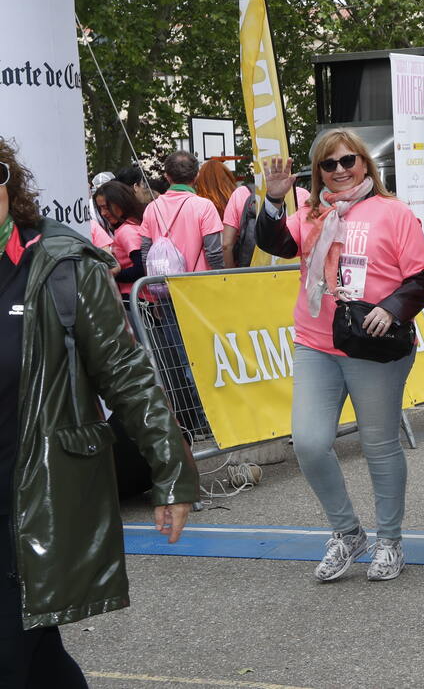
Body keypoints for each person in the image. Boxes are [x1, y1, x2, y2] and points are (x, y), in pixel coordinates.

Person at [1, 136, 197, 686]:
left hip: (34, 492)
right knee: (36, 658)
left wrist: (172, 470)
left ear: (10, 184)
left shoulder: (60, 266)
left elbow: (126, 372)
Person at [257, 131, 424, 582]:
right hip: (316, 343)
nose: (339, 170)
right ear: (317, 173)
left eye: (348, 160)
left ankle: (390, 541)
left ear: (364, 163)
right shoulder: (311, 214)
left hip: (374, 346)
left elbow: (422, 277)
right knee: (310, 443)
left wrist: (390, 308)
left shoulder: (393, 212)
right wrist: (274, 201)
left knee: (379, 446)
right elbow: (276, 243)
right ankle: (347, 533)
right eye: (328, 164)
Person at [139, 151, 225, 273]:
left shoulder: (151, 208)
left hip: (162, 285)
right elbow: (214, 253)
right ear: (196, 176)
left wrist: (152, 280)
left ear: (167, 177)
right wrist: (220, 278)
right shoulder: (205, 206)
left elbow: (145, 253)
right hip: (198, 284)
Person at [93, 179, 148, 301]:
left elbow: (140, 269)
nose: (103, 213)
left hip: (136, 299)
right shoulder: (134, 225)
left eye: (106, 207)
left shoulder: (126, 231)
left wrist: (110, 275)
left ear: (120, 203)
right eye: (100, 208)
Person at [194, 158, 252, 265]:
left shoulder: (199, 205)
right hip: (242, 261)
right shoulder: (237, 197)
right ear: (228, 178)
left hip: (205, 268)